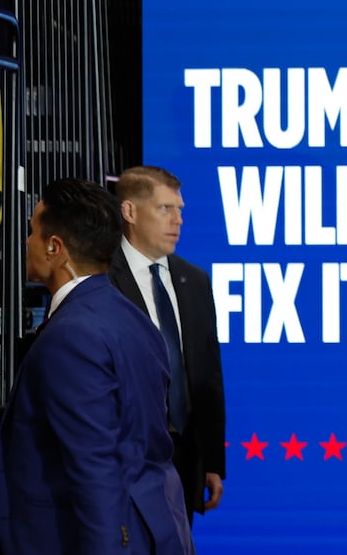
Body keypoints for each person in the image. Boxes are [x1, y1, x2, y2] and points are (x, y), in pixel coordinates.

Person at [0, 178, 193, 554]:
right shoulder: (134, 319)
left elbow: (94, 468)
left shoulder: (71, 336)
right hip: (157, 527)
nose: (26, 243)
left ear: (55, 248)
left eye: (32, 232)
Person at [108, 165, 227, 524]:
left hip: (185, 457)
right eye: (165, 209)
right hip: (124, 458)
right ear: (129, 212)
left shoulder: (195, 279)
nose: (178, 221)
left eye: (180, 210)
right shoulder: (101, 277)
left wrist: (212, 460)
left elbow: (208, 374)